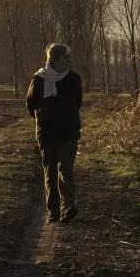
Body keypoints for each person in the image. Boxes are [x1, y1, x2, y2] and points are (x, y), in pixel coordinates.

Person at [25, 42, 83, 222]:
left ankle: (69, 207)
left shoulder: (74, 79)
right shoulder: (39, 80)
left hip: (68, 133)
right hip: (47, 134)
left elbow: (77, 103)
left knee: (65, 168)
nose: (68, 61)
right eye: (65, 58)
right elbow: (30, 103)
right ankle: (54, 212)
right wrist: (43, 119)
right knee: (50, 171)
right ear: (54, 60)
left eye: (69, 58)